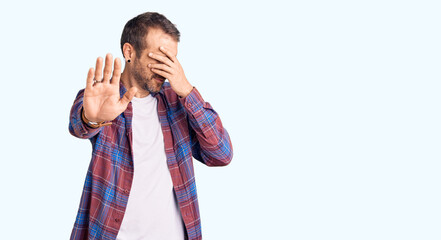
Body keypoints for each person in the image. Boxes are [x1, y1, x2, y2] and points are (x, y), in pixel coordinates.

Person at [68, 12, 233, 240]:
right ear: (129, 52)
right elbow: (79, 125)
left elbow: (221, 154)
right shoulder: (104, 97)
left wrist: (186, 89)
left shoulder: (178, 102)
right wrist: (92, 118)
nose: (164, 70)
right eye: (158, 58)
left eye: (171, 60)